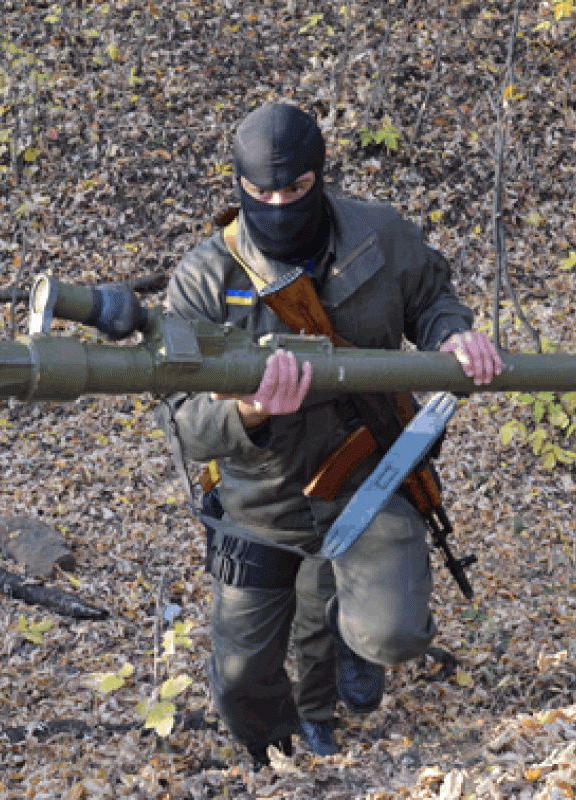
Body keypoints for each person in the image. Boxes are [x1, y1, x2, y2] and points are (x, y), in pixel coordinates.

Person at [160, 102, 501, 767]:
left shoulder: (378, 235)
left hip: (369, 474)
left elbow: (432, 295)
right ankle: (288, 735)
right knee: (238, 686)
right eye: (262, 193)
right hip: (260, 501)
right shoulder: (204, 280)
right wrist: (251, 412)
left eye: (296, 190)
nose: (279, 204)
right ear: (238, 186)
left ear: (322, 176)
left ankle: (346, 658)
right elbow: (185, 423)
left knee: (392, 633)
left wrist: (452, 335)